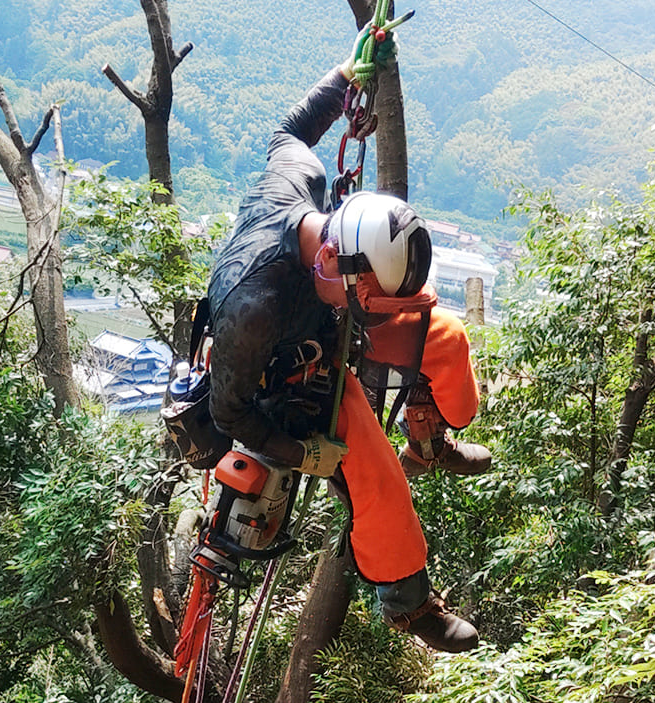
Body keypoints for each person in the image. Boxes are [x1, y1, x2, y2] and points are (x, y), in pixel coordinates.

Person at [205, 49, 490, 652]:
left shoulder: (300, 184)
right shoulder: (252, 307)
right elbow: (229, 412)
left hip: (329, 322)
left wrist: (342, 79)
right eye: (375, 299)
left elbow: (290, 131)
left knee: (442, 334)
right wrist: (303, 453)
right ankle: (411, 605)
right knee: (380, 479)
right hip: (286, 382)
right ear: (336, 261)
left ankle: (431, 438)